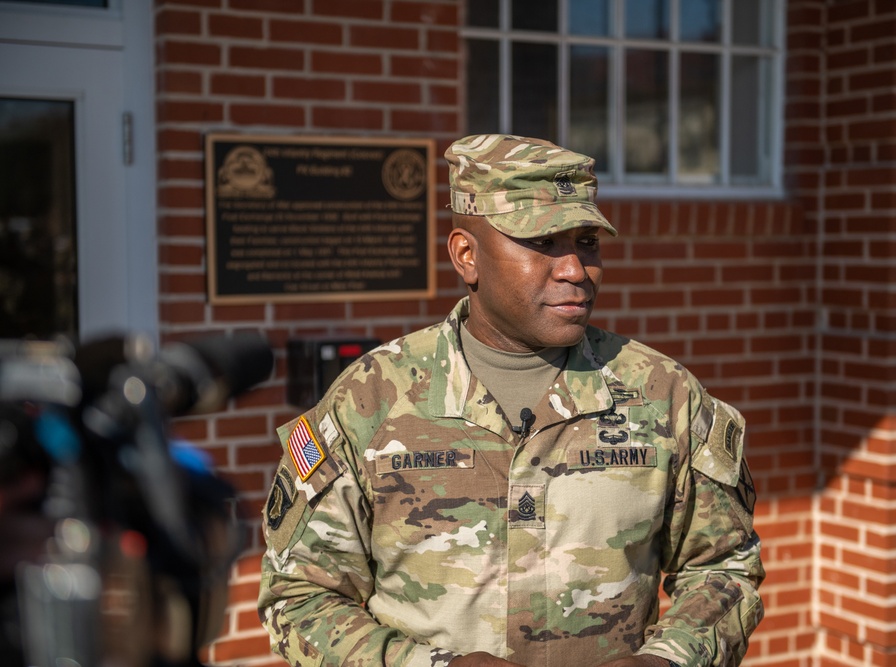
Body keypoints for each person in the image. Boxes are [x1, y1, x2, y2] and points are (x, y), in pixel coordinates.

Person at [259, 134, 765, 666]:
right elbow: (300, 597)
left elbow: (724, 566)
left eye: (587, 241)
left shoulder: (663, 395)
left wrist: (668, 659)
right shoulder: (371, 399)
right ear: (466, 254)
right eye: (543, 242)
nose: (575, 270)